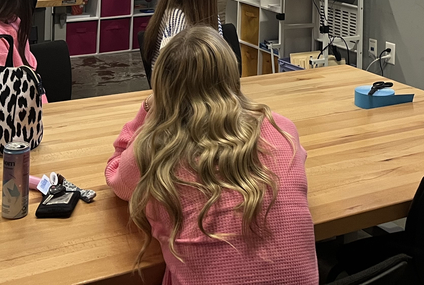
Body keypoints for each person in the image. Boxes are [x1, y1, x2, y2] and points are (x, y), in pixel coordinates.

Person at [105, 26, 318, 284]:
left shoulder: (153, 148)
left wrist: (148, 111)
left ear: (161, 88)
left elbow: (116, 176)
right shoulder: (281, 128)